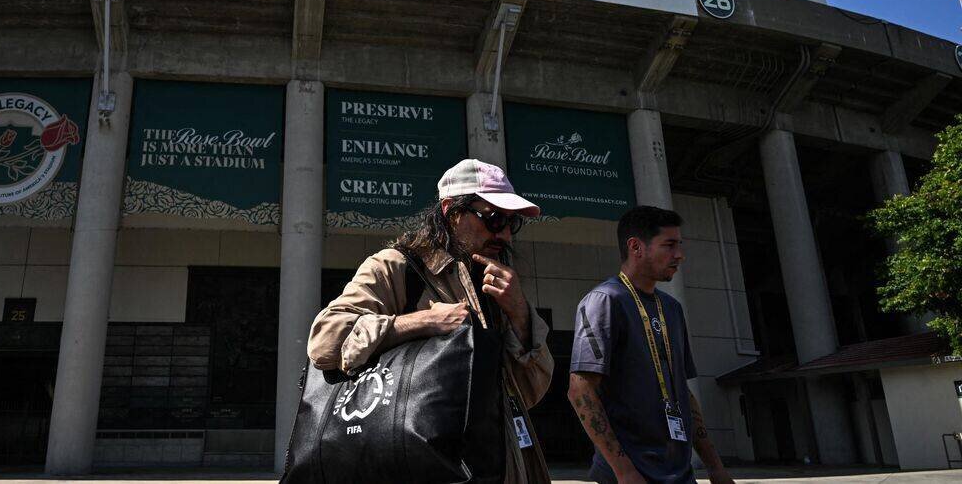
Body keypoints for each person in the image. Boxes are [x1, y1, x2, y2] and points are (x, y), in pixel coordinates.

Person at [307, 159, 554, 483]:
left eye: (512, 223)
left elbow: (529, 393)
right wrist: (423, 322)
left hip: (500, 465)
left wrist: (519, 313)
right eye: (494, 219)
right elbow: (325, 338)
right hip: (421, 466)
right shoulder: (395, 267)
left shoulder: (495, 287)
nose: (505, 234)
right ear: (452, 212)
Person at [568, 205, 734, 484]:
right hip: (631, 476)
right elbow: (580, 390)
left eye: (679, 245)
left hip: (680, 474)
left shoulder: (672, 308)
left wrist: (715, 467)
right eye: (669, 245)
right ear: (636, 247)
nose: (679, 255)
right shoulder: (605, 300)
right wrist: (624, 471)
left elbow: (682, 392)